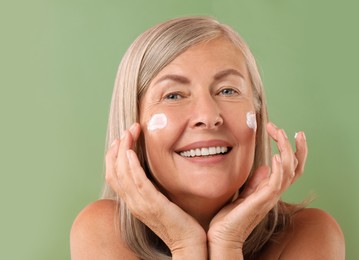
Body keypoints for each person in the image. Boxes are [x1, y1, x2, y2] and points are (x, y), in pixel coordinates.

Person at [70, 16, 345, 259]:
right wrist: (185, 244)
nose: (208, 115)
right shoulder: (103, 231)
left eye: (227, 91)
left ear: (258, 116)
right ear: (133, 124)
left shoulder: (310, 233)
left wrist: (228, 243)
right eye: (174, 95)